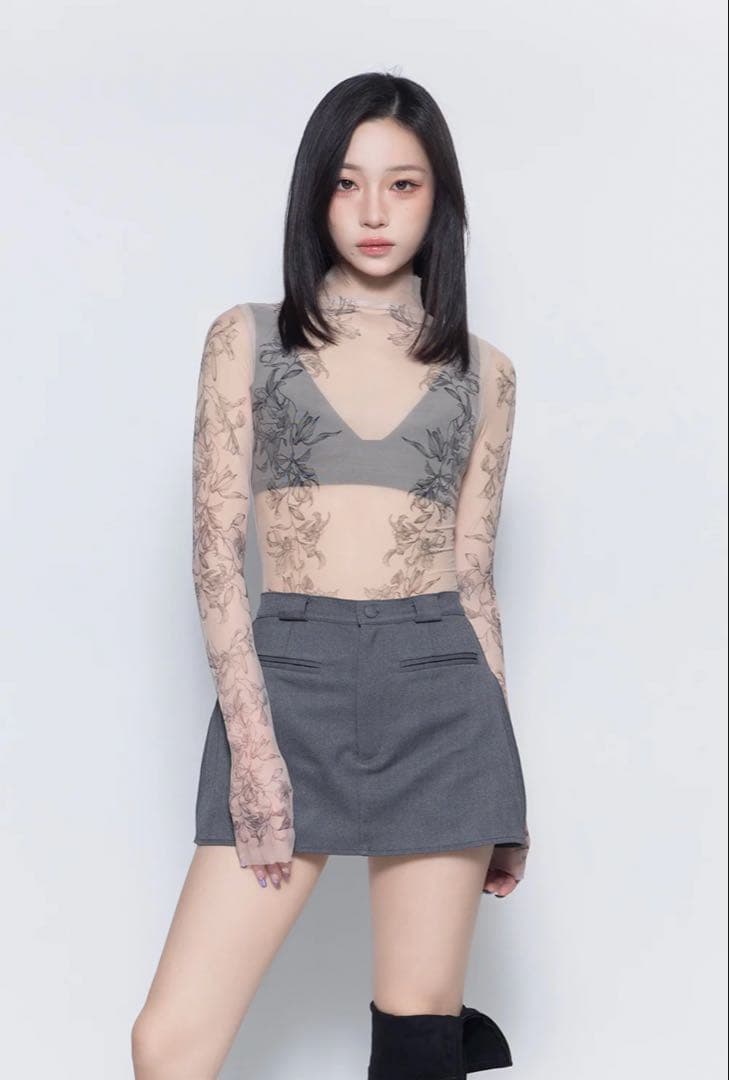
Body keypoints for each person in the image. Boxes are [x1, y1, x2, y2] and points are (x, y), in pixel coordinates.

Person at [131, 70, 531, 1080]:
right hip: (291, 688)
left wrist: (505, 791)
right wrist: (254, 755)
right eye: (348, 183)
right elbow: (214, 559)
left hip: (442, 702)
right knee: (170, 1044)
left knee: (417, 1041)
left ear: (439, 200)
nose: (373, 211)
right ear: (316, 195)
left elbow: (474, 578)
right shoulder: (247, 340)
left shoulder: (486, 372)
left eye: (403, 184)